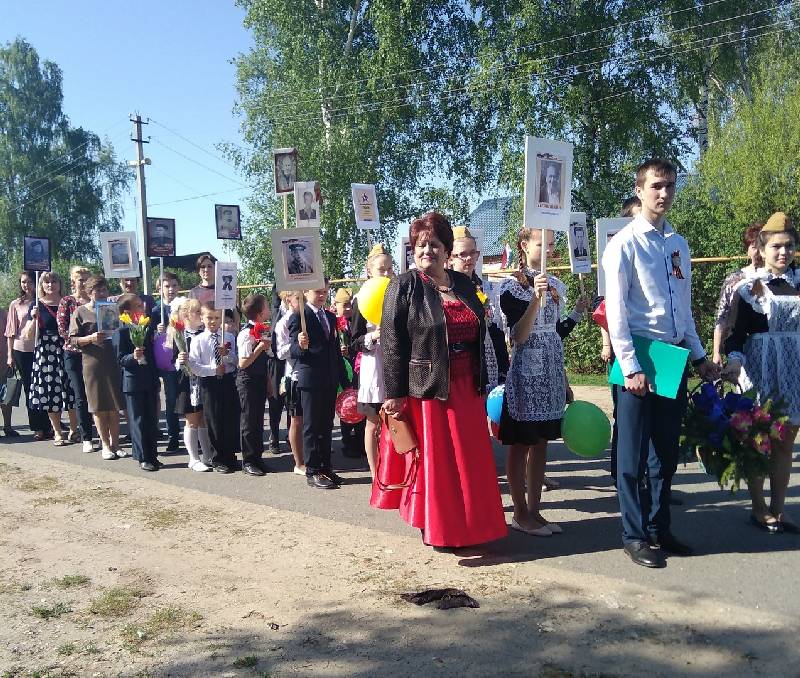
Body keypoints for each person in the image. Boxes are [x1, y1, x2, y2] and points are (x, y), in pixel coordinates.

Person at [603, 158, 719, 569]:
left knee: (665, 453)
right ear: (640, 191)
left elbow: (682, 308)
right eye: (656, 186)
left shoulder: (677, 244)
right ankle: (634, 535)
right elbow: (616, 312)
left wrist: (699, 355)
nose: (664, 193)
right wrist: (630, 366)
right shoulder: (624, 243)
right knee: (632, 455)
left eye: (669, 185)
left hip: (671, 358)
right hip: (638, 356)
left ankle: (658, 527)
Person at [372, 212, 507, 549]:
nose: (426, 251)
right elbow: (392, 342)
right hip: (429, 389)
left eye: (433, 244)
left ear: (446, 250)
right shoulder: (404, 285)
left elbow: (480, 331)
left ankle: (471, 526)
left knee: (470, 462)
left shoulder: (463, 284)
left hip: (467, 386)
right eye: (420, 245)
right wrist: (394, 393)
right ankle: (439, 528)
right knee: (438, 464)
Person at [499, 228, 586, 536]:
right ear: (524, 245)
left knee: (541, 443)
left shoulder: (556, 285)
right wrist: (535, 299)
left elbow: (554, 334)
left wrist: (576, 314)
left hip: (550, 373)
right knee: (521, 444)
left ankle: (535, 511)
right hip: (526, 377)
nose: (548, 249)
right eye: (541, 243)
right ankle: (519, 512)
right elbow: (519, 336)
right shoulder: (512, 287)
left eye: (551, 244)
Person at [723, 212, 799, 534]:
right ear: (763, 249)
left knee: (785, 443)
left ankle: (779, 509)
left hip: (793, 371)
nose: (783, 252)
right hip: (759, 370)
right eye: (776, 246)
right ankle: (758, 508)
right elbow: (736, 334)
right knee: (758, 441)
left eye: (789, 245)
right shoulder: (749, 288)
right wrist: (733, 362)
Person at [598, 196, 641, 486]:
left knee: (657, 421)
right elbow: (606, 310)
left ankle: (652, 481)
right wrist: (608, 344)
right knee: (625, 415)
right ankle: (623, 477)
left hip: (658, 347)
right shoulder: (617, 252)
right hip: (625, 350)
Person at [288, 283, 345, 489]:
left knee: (326, 425)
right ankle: (312, 470)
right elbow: (293, 351)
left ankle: (325, 467)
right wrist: (300, 345)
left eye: (324, 291)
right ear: (306, 292)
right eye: (317, 291)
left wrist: (343, 379)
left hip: (329, 378)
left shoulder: (329, 316)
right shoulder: (299, 316)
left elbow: (335, 350)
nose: (322, 295)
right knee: (311, 426)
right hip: (310, 378)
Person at [69, 275, 126, 460]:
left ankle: (116, 444)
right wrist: (90, 338)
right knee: (98, 406)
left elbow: (122, 332)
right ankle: (105, 445)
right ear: (89, 292)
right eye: (97, 290)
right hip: (92, 363)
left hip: (112, 361)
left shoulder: (112, 309)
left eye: (104, 289)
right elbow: (72, 340)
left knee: (114, 406)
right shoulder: (80, 312)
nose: (102, 293)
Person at [350, 245, 393, 475]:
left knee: (395, 421)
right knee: (373, 422)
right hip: (373, 366)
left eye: (389, 269)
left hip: (395, 365)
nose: (386, 273)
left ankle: (394, 470)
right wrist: (373, 336)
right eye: (381, 269)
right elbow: (354, 340)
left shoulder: (397, 295)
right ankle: (376, 473)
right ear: (369, 271)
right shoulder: (361, 299)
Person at [447, 225, 507, 391]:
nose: (468, 258)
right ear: (450, 258)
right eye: (462, 254)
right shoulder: (445, 291)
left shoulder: (487, 289)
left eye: (472, 253)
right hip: (457, 365)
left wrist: (503, 369)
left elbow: (497, 332)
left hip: (487, 362)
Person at [28, 272, 78, 446]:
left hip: (67, 347)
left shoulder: (69, 302)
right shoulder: (37, 305)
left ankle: (74, 429)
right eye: (47, 282)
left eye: (54, 281)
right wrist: (33, 318)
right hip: (46, 351)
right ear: (41, 285)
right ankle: (57, 432)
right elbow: (29, 335)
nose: (50, 285)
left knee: (71, 389)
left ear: (60, 283)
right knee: (50, 392)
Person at [188, 302, 239, 473]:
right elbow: (194, 365)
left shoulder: (228, 337)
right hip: (209, 382)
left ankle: (230, 455)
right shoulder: (198, 340)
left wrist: (228, 355)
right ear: (202, 318)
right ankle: (217, 458)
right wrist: (212, 369)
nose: (213, 321)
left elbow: (236, 360)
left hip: (227, 380)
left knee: (229, 419)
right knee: (214, 420)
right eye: (209, 317)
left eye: (217, 318)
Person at [113, 294, 160, 472]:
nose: (143, 308)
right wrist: (133, 357)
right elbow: (120, 359)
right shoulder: (121, 332)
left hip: (149, 379)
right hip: (133, 383)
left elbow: (152, 356)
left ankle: (153, 455)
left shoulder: (145, 328)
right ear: (127, 311)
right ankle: (142, 457)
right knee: (138, 420)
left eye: (142, 305)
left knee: (151, 419)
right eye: (138, 306)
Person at [6, 271, 51, 440]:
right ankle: (37, 426)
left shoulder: (43, 301)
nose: (26, 285)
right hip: (22, 350)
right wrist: (10, 355)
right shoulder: (16, 304)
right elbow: (11, 332)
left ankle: (49, 425)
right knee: (30, 389)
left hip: (42, 348)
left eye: (30, 281)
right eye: (23, 282)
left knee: (45, 387)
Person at [712, 222, 764, 365]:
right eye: (753, 247)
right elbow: (722, 317)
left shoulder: (777, 280)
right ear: (747, 251)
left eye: (761, 247)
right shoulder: (734, 280)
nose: (758, 252)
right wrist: (716, 352)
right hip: (739, 350)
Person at [57, 266, 96, 452]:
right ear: (73, 281)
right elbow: (63, 330)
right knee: (80, 395)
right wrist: (84, 340)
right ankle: (86, 436)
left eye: (87, 279)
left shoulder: (95, 302)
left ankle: (101, 434)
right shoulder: (67, 301)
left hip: (94, 354)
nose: (84, 282)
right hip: (73, 354)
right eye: (80, 279)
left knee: (94, 394)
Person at [172, 299, 212, 472]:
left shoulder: (204, 333)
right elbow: (172, 361)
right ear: (187, 315)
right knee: (192, 420)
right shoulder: (179, 335)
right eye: (197, 312)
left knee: (204, 419)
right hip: (187, 383)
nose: (200, 315)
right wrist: (179, 360)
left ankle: (207, 455)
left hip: (204, 380)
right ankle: (193, 458)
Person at [236, 294, 273, 476]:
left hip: (259, 378)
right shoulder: (246, 333)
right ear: (259, 312)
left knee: (258, 421)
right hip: (247, 380)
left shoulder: (263, 330)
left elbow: (267, 357)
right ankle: (248, 461)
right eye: (267, 306)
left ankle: (258, 458)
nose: (269, 309)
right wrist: (260, 347)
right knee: (249, 421)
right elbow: (243, 363)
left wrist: (268, 381)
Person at [275, 291, 306, 475]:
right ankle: (298, 462)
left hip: (310, 374)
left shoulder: (307, 317)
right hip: (294, 375)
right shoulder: (283, 323)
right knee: (296, 420)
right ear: (288, 299)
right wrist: (297, 345)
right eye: (298, 298)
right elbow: (280, 353)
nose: (302, 302)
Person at [151, 271, 182, 451]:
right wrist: (157, 330)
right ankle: (173, 436)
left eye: (174, 285)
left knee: (182, 397)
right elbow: (148, 335)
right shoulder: (156, 310)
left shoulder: (182, 306)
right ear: (160, 289)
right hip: (164, 360)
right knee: (170, 398)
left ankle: (193, 433)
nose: (171, 289)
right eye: (167, 286)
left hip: (181, 357)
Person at [333, 287, 365, 459]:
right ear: (336, 305)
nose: (347, 309)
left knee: (360, 406)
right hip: (341, 372)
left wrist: (350, 350)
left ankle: (360, 442)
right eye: (343, 305)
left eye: (350, 306)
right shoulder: (334, 323)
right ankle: (347, 442)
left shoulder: (356, 320)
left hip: (357, 368)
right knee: (345, 405)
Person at [0, 306, 16, 437]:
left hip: (4, 360)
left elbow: (11, 335)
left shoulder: (4, 314)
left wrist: (11, 356)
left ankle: (7, 426)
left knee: (6, 395)